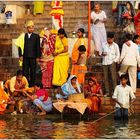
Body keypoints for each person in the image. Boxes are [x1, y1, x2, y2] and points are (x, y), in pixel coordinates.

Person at [16, 20, 41, 87]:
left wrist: (38, 56)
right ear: (27, 28)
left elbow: (38, 47)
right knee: (25, 71)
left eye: (32, 27)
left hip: (33, 57)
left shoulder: (36, 36)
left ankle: (32, 85)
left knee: (33, 71)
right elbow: (20, 46)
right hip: (25, 57)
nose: (31, 29)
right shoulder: (23, 36)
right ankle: (26, 85)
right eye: (29, 27)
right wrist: (20, 55)